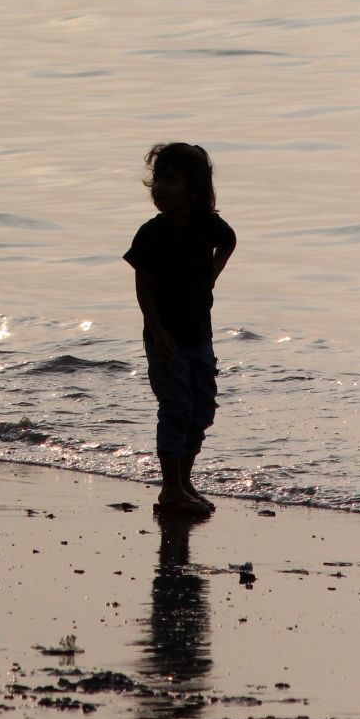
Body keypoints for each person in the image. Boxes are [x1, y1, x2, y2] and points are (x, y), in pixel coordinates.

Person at [123, 142, 236, 515]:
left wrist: (212, 278)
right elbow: (143, 287)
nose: (160, 188)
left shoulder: (207, 227)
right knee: (176, 408)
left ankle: (185, 481)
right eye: (158, 180)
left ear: (194, 189)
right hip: (165, 338)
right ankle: (170, 488)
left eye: (170, 181)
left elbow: (230, 241)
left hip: (199, 336)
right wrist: (156, 329)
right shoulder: (151, 234)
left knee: (202, 409)